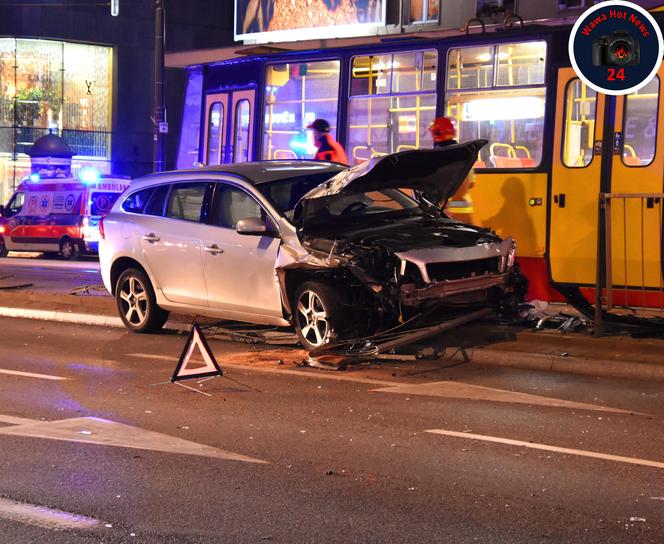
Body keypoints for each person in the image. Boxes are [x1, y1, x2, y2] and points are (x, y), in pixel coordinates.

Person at [428, 116, 475, 224]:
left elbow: (437, 186)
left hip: (448, 214)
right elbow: (472, 182)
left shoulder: (439, 157)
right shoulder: (466, 154)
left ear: (436, 133)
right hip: (467, 213)